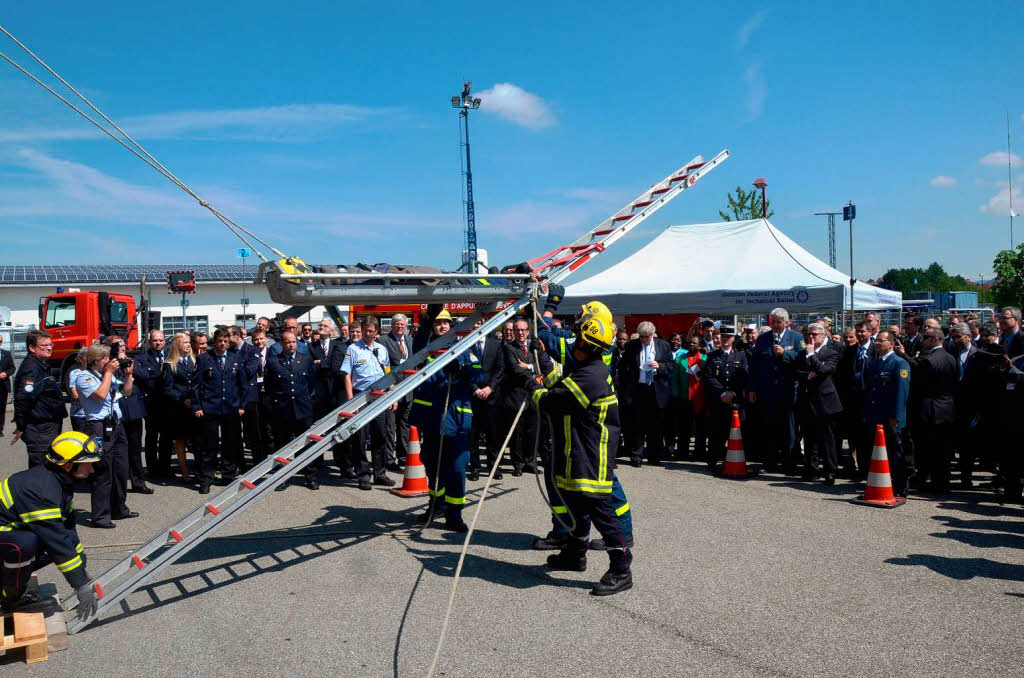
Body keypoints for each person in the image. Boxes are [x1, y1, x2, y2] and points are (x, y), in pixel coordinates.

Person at [529, 312, 633, 596]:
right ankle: (575, 555)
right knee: (576, 506)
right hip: (577, 451)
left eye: (578, 340)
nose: (573, 343)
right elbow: (560, 379)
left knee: (602, 512)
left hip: (591, 455)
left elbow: (555, 400)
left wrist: (531, 388)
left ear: (588, 346)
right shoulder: (584, 368)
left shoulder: (593, 374)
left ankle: (621, 570)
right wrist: (543, 358)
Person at [0, 431, 101, 621]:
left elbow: (68, 531)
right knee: (25, 544)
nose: (92, 470)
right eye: (87, 463)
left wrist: (81, 567)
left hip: (6, 534)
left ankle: (11, 580)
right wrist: (80, 586)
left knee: (44, 545)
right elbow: (57, 542)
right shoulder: (42, 491)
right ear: (68, 464)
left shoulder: (59, 482)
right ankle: (9, 600)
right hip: (7, 537)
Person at [410, 307, 486, 532]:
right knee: (432, 464)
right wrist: (428, 316)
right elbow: (419, 342)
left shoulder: (463, 348)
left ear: (452, 326)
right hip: (431, 418)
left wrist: (461, 368)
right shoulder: (426, 347)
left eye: (445, 323)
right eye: (437, 323)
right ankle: (436, 505)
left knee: (456, 468)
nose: (442, 326)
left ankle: (454, 515)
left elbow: (479, 375)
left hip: (456, 420)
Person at [75, 344, 137, 528]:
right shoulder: (84, 377)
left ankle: (119, 508)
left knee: (120, 469)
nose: (110, 361)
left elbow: (127, 391)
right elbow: (101, 395)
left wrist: (128, 375)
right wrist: (109, 373)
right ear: (96, 360)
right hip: (98, 427)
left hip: (116, 425)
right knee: (103, 472)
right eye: (106, 358)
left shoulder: (106, 376)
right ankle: (100, 516)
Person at [898, 326, 957, 492]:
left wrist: (904, 355)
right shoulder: (950, 358)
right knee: (943, 449)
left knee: (927, 447)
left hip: (931, 409)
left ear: (934, 339)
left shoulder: (930, 359)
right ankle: (942, 481)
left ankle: (928, 479)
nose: (923, 341)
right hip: (947, 408)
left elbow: (917, 376)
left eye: (926, 337)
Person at [339, 317, 395, 488]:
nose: (368, 334)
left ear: (376, 331)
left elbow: (388, 373)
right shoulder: (353, 349)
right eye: (365, 331)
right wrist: (350, 400)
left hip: (380, 396)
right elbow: (346, 374)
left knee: (380, 436)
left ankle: (380, 473)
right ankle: (363, 475)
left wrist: (392, 395)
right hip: (360, 397)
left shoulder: (382, 349)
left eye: (371, 331)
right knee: (360, 438)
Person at [747, 308, 804, 473]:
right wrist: (752, 389)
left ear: (787, 322)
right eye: (773, 322)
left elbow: (802, 359)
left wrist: (785, 354)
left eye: (779, 322)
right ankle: (770, 462)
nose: (776, 325)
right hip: (767, 392)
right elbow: (754, 366)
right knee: (769, 428)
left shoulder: (796, 337)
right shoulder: (764, 338)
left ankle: (789, 463)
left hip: (787, 392)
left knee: (789, 430)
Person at [264, 329, 322, 490]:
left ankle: (311, 477)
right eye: (288, 342)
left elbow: (311, 383)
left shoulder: (306, 360)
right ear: (281, 344)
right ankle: (283, 478)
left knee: (307, 444)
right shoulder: (274, 361)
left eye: (294, 342)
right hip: (283, 410)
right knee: (283, 445)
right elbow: (269, 387)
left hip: (303, 410)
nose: (291, 345)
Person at [192, 328, 247, 493]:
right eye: (220, 341)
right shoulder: (204, 359)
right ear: (214, 341)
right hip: (210, 408)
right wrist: (197, 406)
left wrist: (242, 406)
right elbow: (195, 385)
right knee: (209, 446)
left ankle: (228, 476)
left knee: (230, 444)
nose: (222, 344)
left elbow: (243, 385)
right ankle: (206, 479)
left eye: (225, 341)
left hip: (231, 409)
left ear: (229, 342)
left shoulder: (235, 358)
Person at [862, 331, 912, 497]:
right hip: (876, 415)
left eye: (881, 341)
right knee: (878, 452)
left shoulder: (899, 363)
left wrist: (896, 417)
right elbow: (870, 391)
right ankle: (882, 481)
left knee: (895, 451)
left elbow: (901, 393)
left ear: (891, 344)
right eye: (876, 341)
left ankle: (900, 486)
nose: (877, 343)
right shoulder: (875, 363)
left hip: (890, 416)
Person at [617, 321, 674, 466]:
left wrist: (659, 365)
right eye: (641, 337)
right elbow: (624, 368)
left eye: (646, 337)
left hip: (656, 389)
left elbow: (670, 366)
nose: (643, 339)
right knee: (637, 424)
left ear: (652, 334)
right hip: (638, 389)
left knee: (656, 425)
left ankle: (654, 456)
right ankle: (636, 456)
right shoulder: (632, 346)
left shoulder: (663, 345)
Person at [794, 322, 843, 484]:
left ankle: (830, 471)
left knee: (827, 439)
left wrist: (811, 356)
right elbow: (798, 373)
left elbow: (824, 371)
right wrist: (810, 373)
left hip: (825, 402)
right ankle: (811, 469)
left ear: (823, 336)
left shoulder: (831, 353)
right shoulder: (802, 354)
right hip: (807, 401)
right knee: (809, 439)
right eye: (809, 334)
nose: (811, 337)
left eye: (815, 334)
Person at [12, 331, 67, 468]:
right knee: (42, 468)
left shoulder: (41, 364)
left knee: (49, 466)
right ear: (32, 348)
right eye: (44, 345)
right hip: (40, 429)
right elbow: (24, 398)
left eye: (51, 344)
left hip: (46, 426)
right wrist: (21, 425)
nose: (49, 348)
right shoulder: (32, 368)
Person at [464, 318, 505, 481]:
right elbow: (465, 370)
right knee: (472, 434)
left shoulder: (496, 344)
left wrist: (490, 388)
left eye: (480, 323)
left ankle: (493, 466)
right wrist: (475, 389)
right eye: (475, 323)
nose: (477, 325)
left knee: (493, 434)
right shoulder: (466, 346)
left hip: (492, 396)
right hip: (473, 396)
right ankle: (474, 467)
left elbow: (500, 369)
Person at [705, 326, 748, 470]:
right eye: (723, 337)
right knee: (716, 432)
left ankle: (732, 459)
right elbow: (709, 376)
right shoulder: (712, 356)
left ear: (733, 339)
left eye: (728, 337)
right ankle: (712, 460)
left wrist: (733, 393)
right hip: (719, 399)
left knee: (735, 431)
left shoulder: (740, 355)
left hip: (735, 400)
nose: (725, 339)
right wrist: (723, 393)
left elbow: (743, 377)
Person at [378, 314, 415, 471]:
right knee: (390, 427)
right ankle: (389, 459)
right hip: (392, 389)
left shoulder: (410, 340)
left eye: (403, 324)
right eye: (397, 324)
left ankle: (403, 456)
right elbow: (383, 366)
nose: (400, 326)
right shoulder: (383, 341)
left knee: (404, 425)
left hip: (408, 389)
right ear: (392, 325)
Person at [132, 330, 170, 481]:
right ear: (149, 341)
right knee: (151, 439)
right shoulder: (140, 358)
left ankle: (165, 468)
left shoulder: (170, 356)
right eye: (155, 340)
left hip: (168, 404)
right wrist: (160, 375)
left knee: (166, 439)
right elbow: (143, 376)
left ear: (164, 341)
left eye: (160, 340)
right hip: (150, 404)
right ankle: (152, 469)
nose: (158, 343)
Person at [162, 333, 196, 484]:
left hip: (195, 405)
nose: (188, 345)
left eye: (189, 342)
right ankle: (184, 472)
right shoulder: (169, 364)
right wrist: (182, 399)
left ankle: (199, 468)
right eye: (185, 343)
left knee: (197, 439)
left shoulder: (194, 361)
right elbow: (167, 389)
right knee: (180, 440)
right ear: (177, 345)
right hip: (179, 408)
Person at [228, 326, 261, 471]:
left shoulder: (252, 350)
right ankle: (239, 464)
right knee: (234, 434)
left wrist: (234, 368)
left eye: (228, 335)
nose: (226, 339)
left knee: (254, 432)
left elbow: (249, 371)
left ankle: (258, 463)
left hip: (250, 397)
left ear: (236, 335)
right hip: (234, 397)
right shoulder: (229, 352)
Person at [0, 335, 13, 437]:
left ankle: (0, 429)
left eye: (0, 341)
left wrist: (6, 373)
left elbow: (12, 368)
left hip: (3, 386)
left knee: (1, 408)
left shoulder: (6, 354)